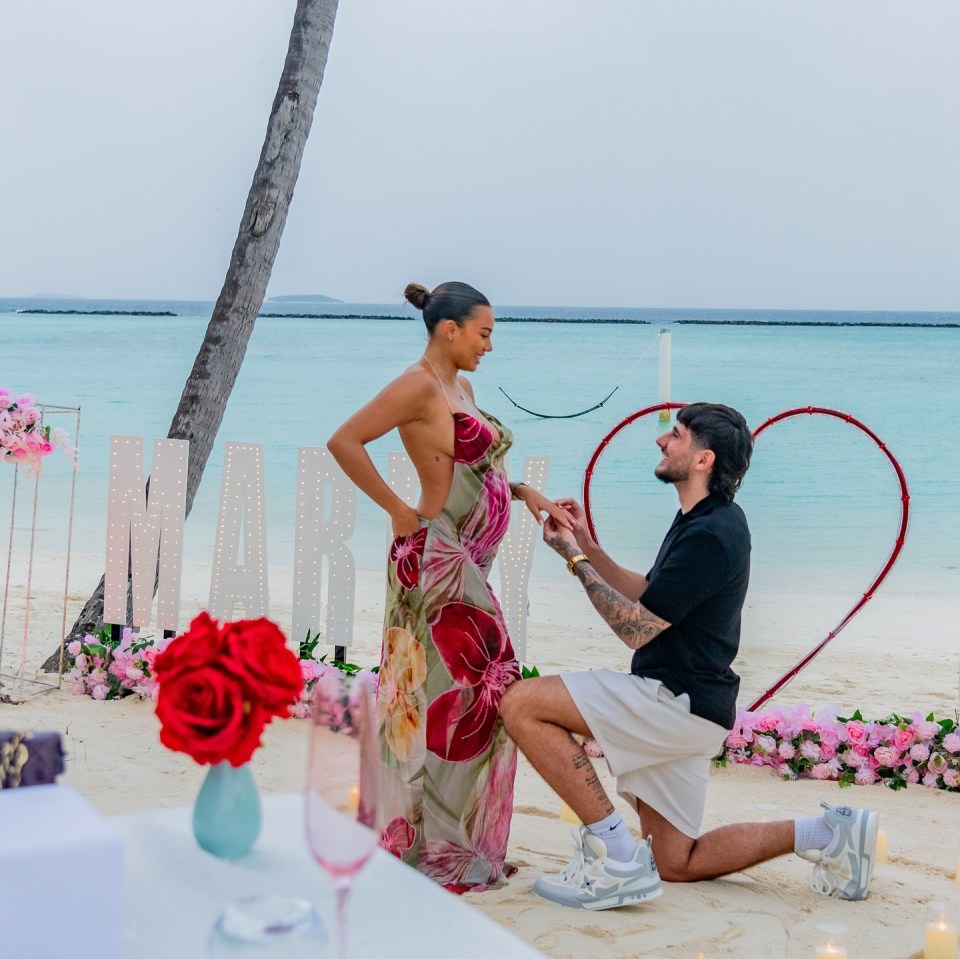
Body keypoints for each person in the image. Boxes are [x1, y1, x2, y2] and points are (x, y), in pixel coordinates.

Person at [500, 402, 879, 910]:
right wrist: (587, 544)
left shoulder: (712, 535)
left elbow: (634, 630)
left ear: (704, 459)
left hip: (671, 700)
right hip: (697, 706)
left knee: (522, 703)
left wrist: (572, 559)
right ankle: (828, 832)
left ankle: (615, 856)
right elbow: (650, 595)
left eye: (675, 435)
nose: (662, 441)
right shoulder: (705, 519)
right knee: (678, 861)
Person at [327, 280, 570, 891]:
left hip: (467, 559)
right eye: (484, 333)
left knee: (449, 700)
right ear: (449, 329)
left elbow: (478, 466)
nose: (490, 345)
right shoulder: (416, 384)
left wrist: (526, 495)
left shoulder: (461, 387)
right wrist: (396, 510)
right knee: (480, 693)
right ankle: (440, 850)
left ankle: (447, 845)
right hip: (436, 555)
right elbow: (344, 441)